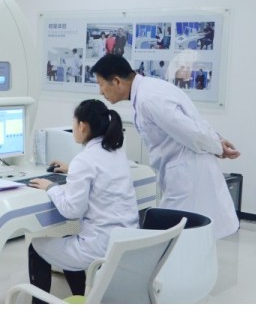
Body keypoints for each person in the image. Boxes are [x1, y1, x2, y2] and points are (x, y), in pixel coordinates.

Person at [90, 54, 240, 239]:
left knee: (174, 237)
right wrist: (217, 141)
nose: (100, 92)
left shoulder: (149, 98)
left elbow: (190, 131)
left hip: (187, 173)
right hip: (185, 169)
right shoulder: (150, 90)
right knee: (188, 237)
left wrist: (218, 146)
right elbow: (192, 123)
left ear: (116, 81)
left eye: (100, 84)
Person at [26, 99, 139, 303]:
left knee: (36, 247)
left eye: (73, 122)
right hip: (124, 241)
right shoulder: (117, 152)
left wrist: (51, 187)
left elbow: (72, 211)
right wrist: (73, 170)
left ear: (83, 126)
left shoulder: (84, 160)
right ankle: (82, 298)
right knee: (68, 239)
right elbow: (101, 175)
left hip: (98, 247)